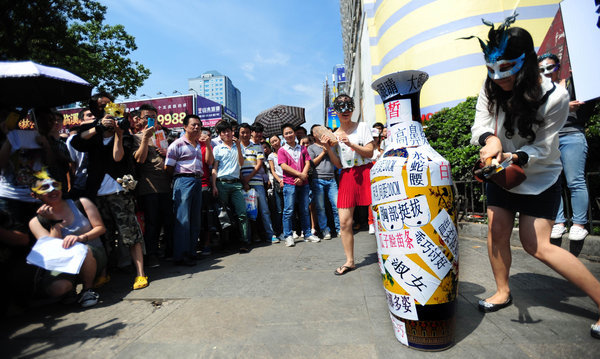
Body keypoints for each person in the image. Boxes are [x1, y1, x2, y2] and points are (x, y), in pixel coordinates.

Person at [468, 20, 600, 339]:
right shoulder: (490, 88)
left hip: (539, 175)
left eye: (507, 68)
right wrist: (491, 141)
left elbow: (544, 145)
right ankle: (502, 291)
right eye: (492, 69)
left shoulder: (555, 96)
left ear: (526, 61)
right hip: (501, 173)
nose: (499, 78)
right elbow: (481, 124)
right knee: (497, 231)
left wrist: (515, 156)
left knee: (536, 245)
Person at [70, 101, 148, 290]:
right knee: (104, 236)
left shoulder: (125, 136)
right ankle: (103, 274)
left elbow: (118, 157)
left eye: (115, 118)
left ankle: (140, 274)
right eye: (108, 118)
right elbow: (76, 142)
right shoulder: (93, 137)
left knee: (131, 234)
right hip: (96, 194)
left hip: (119, 192)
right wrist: (98, 127)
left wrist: (119, 135)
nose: (111, 122)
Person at [28, 170, 107, 308]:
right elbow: (51, 250)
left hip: (92, 256)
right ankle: (69, 289)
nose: (52, 190)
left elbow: (100, 228)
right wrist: (54, 222)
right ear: (35, 195)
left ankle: (87, 290)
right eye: (45, 188)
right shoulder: (36, 222)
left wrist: (81, 238)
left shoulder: (81, 203)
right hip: (64, 262)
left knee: (84, 249)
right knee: (57, 288)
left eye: (54, 185)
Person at [538, 53, 592, 241]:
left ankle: (579, 224)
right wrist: (564, 107)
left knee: (575, 180)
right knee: (553, 182)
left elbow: (591, 93)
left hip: (572, 135)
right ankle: (559, 222)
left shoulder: (571, 84)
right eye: (541, 69)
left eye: (550, 68)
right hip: (550, 139)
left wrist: (581, 75)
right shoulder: (539, 93)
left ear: (558, 67)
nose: (546, 72)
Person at [321, 94, 374, 275]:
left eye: (349, 107)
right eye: (341, 108)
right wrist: (328, 148)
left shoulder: (363, 127)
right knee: (344, 222)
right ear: (335, 111)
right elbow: (337, 164)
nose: (346, 111)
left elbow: (369, 152)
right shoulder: (334, 135)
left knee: (380, 217)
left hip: (366, 172)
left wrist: (350, 143)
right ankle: (350, 261)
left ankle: (389, 253)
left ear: (353, 109)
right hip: (347, 175)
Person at [165, 114, 210, 266]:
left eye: (199, 125)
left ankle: (191, 252)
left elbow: (208, 162)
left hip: (198, 181)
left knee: (194, 219)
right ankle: (181, 255)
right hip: (183, 180)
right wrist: (180, 179)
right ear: (185, 127)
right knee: (182, 219)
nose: (197, 127)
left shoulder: (198, 145)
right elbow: (168, 167)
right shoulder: (176, 145)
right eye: (193, 125)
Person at [133, 104, 173, 267]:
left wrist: (167, 153)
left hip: (166, 185)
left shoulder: (162, 136)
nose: (151, 120)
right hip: (148, 188)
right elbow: (139, 160)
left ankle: (169, 251)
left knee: (168, 221)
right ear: (140, 119)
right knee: (152, 223)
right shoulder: (136, 137)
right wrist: (145, 138)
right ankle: (152, 255)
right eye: (147, 117)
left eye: (153, 117)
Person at [278, 123, 320, 247]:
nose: (289, 135)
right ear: (283, 136)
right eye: (286, 133)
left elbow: (307, 162)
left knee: (304, 209)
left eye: (291, 132)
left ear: (295, 133)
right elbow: (283, 166)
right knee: (289, 210)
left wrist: (303, 175)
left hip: (304, 183)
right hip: (290, 184)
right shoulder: (282, 150)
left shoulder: (302, 148)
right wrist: (299, 175)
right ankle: (288, 236)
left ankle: (307, 233)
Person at [211, 120, 251, 252]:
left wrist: (238, 146)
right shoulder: (217, 148)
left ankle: (245, 241)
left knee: (242, 213)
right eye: (224, 132)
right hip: (221, 183)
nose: (227, 133)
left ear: (232, 132)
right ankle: (225, 243)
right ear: (220, 135)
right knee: (223, 215)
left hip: (236, 184)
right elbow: (214, 168)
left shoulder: (237, 146)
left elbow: (241, 163)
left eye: (229, 131)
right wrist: (214, 185)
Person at [239, 123, 276, 243]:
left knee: (264, 210)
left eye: (247, 132)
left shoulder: (258, 146)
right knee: (246, 212)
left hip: (257, 182)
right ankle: (247, 238)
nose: (245, 135)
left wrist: (247, 178)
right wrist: (243, 181)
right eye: (243, 132)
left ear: (250, 133)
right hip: (242, 183)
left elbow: (259, 164)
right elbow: (236, 164)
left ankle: (270, 234)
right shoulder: (236, 146)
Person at [308, 125, 341, 240]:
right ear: (314, 135)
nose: (321, 132)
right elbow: (311, 164)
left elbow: (337, 160)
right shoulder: (311, 148)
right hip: (318, 180)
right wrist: (323, 152)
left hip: (331, 179)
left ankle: (339, 229)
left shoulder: (332, 145)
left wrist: (328, 148)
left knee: (337, 205)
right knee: (320, 207)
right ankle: (324, 229)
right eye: (317, 131)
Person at [267, 135, 284, 240]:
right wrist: (279, 180)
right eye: (272, 142)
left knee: (290, 208)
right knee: (279, 209)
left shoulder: (286, 151)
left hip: (289, 181)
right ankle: (280, 231)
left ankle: (290, 230)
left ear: (280, 140)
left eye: (276, 140)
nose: (275, 143)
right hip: (278, 182)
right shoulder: (271, 156)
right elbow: (273, 170)